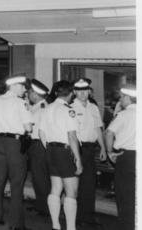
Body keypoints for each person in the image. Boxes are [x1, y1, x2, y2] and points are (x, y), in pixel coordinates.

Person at [0, 74, 33, 229]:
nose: (25, 90)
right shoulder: (20, 103)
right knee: (16, 184)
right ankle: (16, 224)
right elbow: (28, 127)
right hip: (15, 144)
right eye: (23, 86)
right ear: (15, 86)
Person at [38, 80, 83, 230]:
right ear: (71, 94)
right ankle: (71, 227)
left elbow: (41, 132)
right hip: (65, 151)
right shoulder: (68, 110)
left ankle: (55, 225)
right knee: (72, 191)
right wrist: (77, 159)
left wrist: (50, 148)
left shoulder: (47, 108)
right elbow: (72, 136)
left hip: (51, 150)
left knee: (56, 188)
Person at [71, 78, 107, 227]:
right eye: (79, 91)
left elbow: (98, 128)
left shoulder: (93, 108)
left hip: (91, 149)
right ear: (74, 92)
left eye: (85, 91)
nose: (83, 94)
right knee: (75, 185)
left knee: (90, 184)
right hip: (77, 149)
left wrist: (103, 148)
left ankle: (88, 217)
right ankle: (77, 218)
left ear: (89, 91)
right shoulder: (71, 108)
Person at [104, 84, 136, 230]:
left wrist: (110, 152)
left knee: (125, 196)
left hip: (127, 158)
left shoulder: (124, 115)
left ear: (128, 98)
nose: (121, 100)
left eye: (122, 97)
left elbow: (109, 133)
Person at [27, 78, 51, 216]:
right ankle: (41, 204)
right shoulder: (37, 108)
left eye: (30, 92)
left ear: (35, 94)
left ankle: (44, 207)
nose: (28, 95)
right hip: (36, 145)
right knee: (38, 177)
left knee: (40, 176)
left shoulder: (41, 109)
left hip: (38, 145)